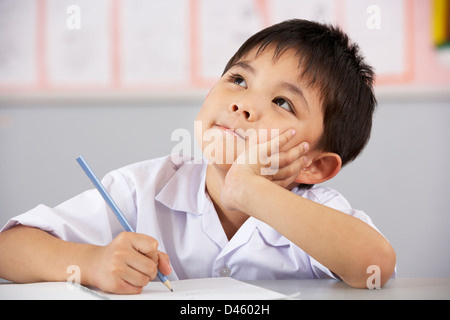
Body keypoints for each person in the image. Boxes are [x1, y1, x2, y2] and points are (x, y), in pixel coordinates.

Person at [0, 19, 396, 294]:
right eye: (238, 80)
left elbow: (375, 267)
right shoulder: (141, 188)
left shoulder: (317, 214)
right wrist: (92, 263)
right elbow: (10, 249)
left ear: (314, 165)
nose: (242, 104)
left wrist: (250, 189)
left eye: (282, 102)